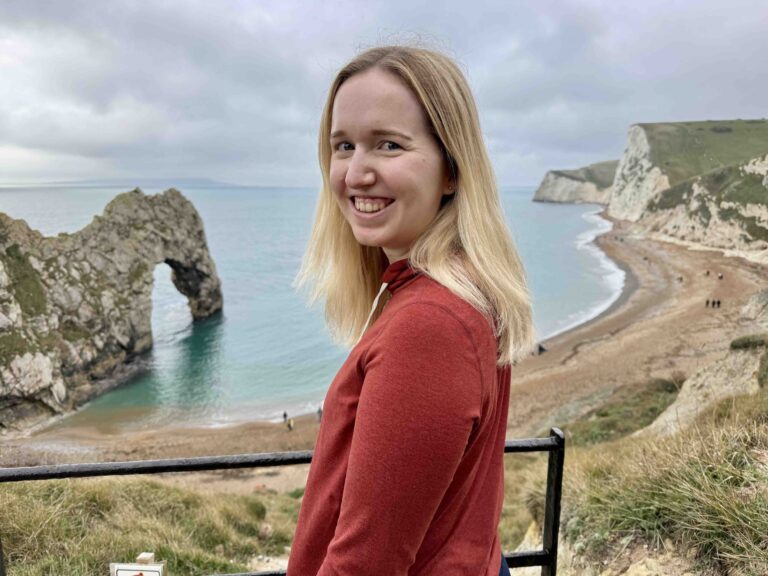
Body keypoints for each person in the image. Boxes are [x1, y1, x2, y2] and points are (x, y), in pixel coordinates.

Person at [289, 45, 534, 576]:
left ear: (451, 169)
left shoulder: (430, 326)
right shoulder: (463, 288)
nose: (355, 173)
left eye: (389, 145)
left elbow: (365, 566)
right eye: (344, 145)